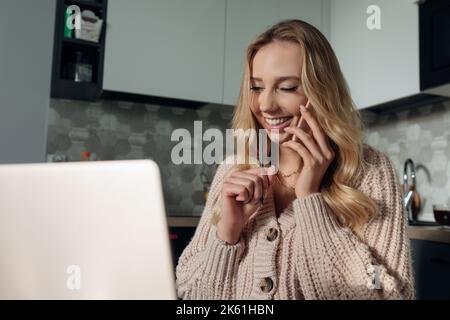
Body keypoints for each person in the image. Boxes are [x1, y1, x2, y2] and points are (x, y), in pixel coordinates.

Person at [175, 19, 415, 299]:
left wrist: (311, 202)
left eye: (287, 87)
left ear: (323, 91)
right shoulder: (233, 168)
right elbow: (190, 294)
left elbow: (386, 295)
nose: (265, 105)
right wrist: (228, 233)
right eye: (256, 87)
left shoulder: (370, 171)